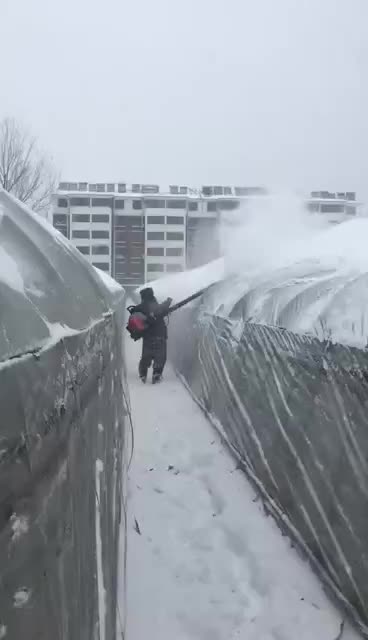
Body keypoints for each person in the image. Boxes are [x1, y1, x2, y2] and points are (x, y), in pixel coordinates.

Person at [132, 287, 172, 384]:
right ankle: (156, 374)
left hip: (148, 336)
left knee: (146, 355)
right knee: (160, 356)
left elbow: (136, 312)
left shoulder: (141, 307)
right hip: (160, 335)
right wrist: (169, 301)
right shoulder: (155, 305)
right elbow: (163, 307)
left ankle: (143, 373)